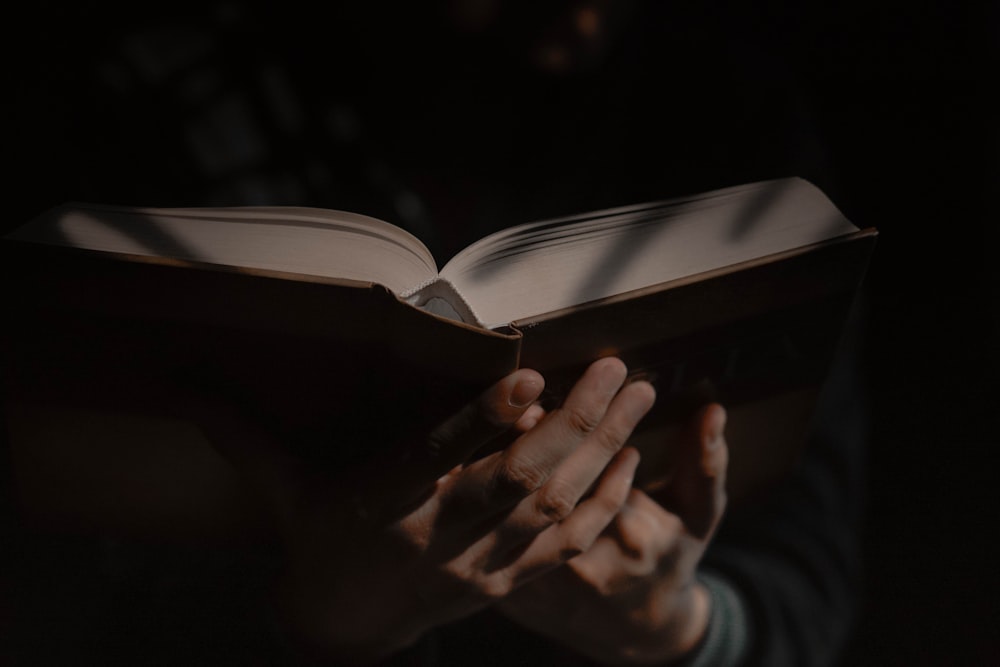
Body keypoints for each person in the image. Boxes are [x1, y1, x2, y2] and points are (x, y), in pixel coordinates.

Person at [2, 2, 868, 665]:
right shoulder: (135, 94)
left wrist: (680, 622)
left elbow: (808, 570)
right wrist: (312, 618)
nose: (583, 17)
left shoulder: (727, 120)